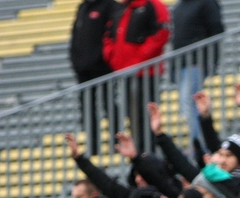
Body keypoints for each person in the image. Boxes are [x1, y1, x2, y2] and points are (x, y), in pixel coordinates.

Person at [102, 0, 171, 151]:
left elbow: (162, 32)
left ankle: (149, 154)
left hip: (146, 74)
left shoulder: (152, 5)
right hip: (125, 72)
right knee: (133, 117)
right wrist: (114, 58)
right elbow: (108, 35)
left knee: (145, 117)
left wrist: (139, 59)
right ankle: (142, 154)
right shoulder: (120, 9)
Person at [171, 0, 224, 155]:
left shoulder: (206, 3)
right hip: (182, 64)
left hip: (196, 62)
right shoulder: (179, 7)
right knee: (187, 104)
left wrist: (211, 61)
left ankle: (201, 145)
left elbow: (216, 30)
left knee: (191, 103)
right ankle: (199, 144)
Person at [70, 0, 118, 155]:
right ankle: (93, 148)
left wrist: (101, 58)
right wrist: (76, 61)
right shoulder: (83, 7)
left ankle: (117, 144)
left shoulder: (110, 6)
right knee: (87, 110)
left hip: (104, 69)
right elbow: (75, 36)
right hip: (83, 71)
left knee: (109, 106)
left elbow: (112, 35)